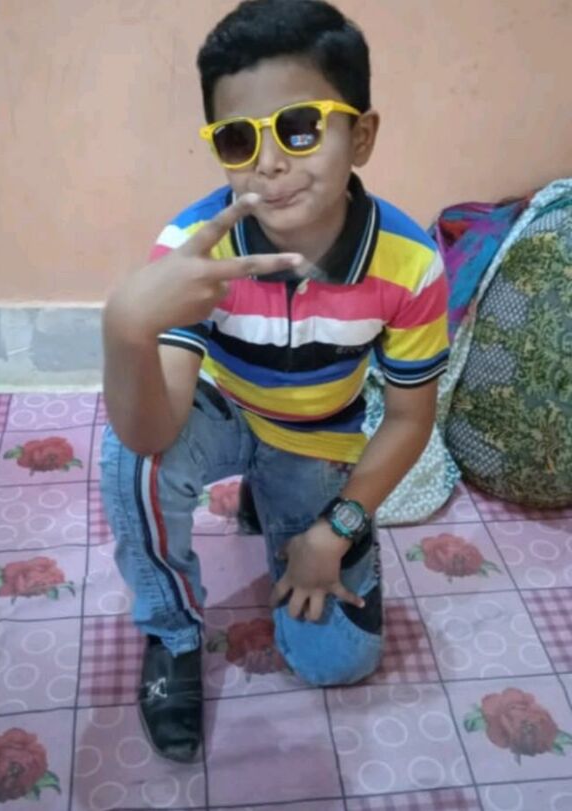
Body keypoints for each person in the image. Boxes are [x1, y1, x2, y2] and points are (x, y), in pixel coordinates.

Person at [100, 0, 449, 763]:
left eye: (299, 127)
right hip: (222, 410)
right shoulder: (195, 248)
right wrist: (125, 330)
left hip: (318, 436)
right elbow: (152, 431)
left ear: (361, 135)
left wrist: (337, 529)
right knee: (129, 459)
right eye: (239, 138)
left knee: (337, 662)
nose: (269, 163)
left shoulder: (411, 264)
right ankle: (171, 629)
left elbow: (408, 417)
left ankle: (282, 502)